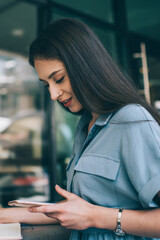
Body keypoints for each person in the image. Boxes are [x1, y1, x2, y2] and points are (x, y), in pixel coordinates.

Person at [1, 18, 160, 240]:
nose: (53, 95)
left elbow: (90, 215)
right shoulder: (85, 127)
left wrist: (97, 217)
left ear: (85, 65)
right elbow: (77, 212)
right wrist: (6, 215)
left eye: (59, 79)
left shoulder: (132, 120)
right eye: (47, 84)